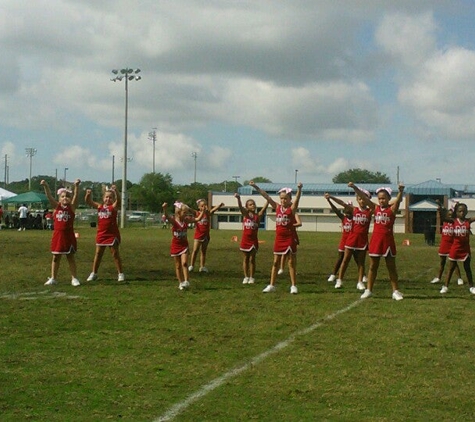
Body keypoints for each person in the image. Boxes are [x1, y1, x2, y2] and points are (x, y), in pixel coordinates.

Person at [349, 183, 405, 300]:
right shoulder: (375, 208)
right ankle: (368, 290)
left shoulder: (392, 209)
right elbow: (364, 198)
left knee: (391, 267)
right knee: (373, 266)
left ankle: (395, 291)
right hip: (376, 241)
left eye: (384, 198)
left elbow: (398, 201)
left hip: (388, 241)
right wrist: (355, 188)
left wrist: (400, 191)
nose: (381, 200)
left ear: (389, 198)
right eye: (379, 198)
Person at [250, 181, 303, 294]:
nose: (283, 200)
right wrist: (255, 186)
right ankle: (272, 285)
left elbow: (297, 200)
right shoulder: (277, 207)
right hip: (279, 239)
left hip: (289, 238)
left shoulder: (291, 209)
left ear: (289, 199)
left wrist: (299, 189)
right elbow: (266, 196)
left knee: (291, 262)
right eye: (281, 198)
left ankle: (293, 286)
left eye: (285, 198)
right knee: (275, 262)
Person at [41, 179, 81, 287]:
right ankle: (53, 278)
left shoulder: (72, 207)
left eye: (67, 196)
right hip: (58, 236)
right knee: (56, 257)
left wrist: (76, 186)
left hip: (68, 236)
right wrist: (46, 186)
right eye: (62, 196)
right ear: (59, 198)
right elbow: (49, 196)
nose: (65, 198)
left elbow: (76, 196)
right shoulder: (56, 207)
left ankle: (74, 278)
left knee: (70, 257)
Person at [332, 189, 372, 291]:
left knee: (361, 262)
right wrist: (331, 197)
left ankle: (360, 282)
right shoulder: (354, 210)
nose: (362, 201)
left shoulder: (370, 211)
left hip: (362, 240)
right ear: (357, 200)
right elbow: (341, 203)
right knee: (345, 260)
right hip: (351, 238)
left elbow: (387, 205)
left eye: (364, 199)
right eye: (360, 199)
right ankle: (339, 280)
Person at [85, 185, 125, 282]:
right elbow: (88, 202)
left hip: (111, 234)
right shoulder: (100, 206)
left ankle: (120, 274)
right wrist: (88, 195)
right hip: (101, 234)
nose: (108, 199)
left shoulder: (113, 207)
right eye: (106, 197)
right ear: (103, 198)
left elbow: (119, 201)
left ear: (113, 199)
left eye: (110, 197)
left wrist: (116, 192)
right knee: (98, 254)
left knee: (115, 253)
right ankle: (94, 273)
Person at [324, 194, 365, 288]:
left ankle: (363, 276)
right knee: (341, 258)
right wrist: (329, 201)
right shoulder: (344, 218)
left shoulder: (356, 218)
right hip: (345, 241)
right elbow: (335, 210)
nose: (347, 211)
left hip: (355, 240)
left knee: (358, 259)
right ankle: (334, 275)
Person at [163, 201, 205, 290]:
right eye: (184, 212)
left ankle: (187, 281)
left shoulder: (186, 220)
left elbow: (197, 219)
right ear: (178, 213)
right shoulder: (174, 221)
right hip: (175, 246)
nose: (186, 214)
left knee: (184, 263)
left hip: (184, 245)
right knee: (178, 266)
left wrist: (203, 212)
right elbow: (167, 216)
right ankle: (181, 282)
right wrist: (164, 209)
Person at [439, 202, 475, 295]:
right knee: (451, 268)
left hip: (465, 249)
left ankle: (471, 287)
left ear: (467, 212)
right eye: (460, 211)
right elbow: (443, 218)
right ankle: (445, 286)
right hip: (455, 248)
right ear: (457, 212)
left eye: (464, 211)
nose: (462, 213)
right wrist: (440, 209)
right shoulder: (453, 221)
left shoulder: (468, 221)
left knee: (467, 268)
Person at [234, 193, 269, 284]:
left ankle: (252, 277)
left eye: (253, 204)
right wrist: (238, 199)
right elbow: (240, 207)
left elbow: (264, 209)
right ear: (247, 207)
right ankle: (245, 277)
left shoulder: (258, 216)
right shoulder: (245, 215)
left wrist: (268, 199)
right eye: (250, 204)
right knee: (245, 258)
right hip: (245, 240)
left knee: (252, 259)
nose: (253, 205)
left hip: (253, 241)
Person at [430, 201, 463, 285]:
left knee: (453, 263)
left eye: (451, 214)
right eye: (449, 214)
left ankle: (459, 278)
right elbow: (443, 210)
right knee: (442, 263)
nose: (450, 215)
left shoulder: (454, 222)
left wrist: (457, 205)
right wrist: (439, 205)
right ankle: (438, 277)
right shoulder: (444, 221)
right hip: (444, 244)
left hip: (452, 245)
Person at [188, 199, 224, 273]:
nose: (204, 207)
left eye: (205, 205)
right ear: (199, 207)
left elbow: (213, 210)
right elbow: (189, 209)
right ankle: (191, 265)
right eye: (202, 206)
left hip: (206, 236)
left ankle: (202, 266)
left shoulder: (207, 213)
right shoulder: (197, 213)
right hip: (198, 236)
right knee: (195, 251)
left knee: (203, 251)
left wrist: (219, 205)